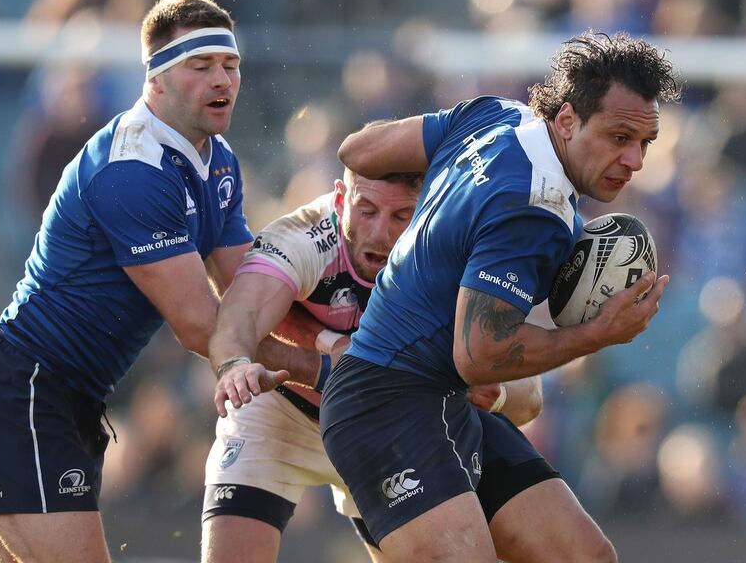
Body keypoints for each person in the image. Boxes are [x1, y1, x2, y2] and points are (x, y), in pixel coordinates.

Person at [0, 0, 319, 563]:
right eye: (199, 66)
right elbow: (202, 326)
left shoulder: (218, 157)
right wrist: (329, 369)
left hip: (70, 397)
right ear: (155, 78)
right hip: (24, 390)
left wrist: (342, 327)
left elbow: (251, 288)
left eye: (229, 65)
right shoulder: (132, 168)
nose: (221, 79)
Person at [323, 30, 678, 562]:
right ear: (565, 120)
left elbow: (359, 149)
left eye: (643, 143)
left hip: (440, 402)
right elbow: (481, 353)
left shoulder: (494, 117)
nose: (635, 160)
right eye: (619, 136)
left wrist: (459, 204)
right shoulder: (536, 208)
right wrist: (597, 334)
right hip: (385, 406)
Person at [201, 167, 545, 563]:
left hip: (381, 427)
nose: (381, 232)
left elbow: (530, 398)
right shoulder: (305, 237)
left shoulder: (455, 254)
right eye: (366, 211)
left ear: (430, 210)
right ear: (340, 199)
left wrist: (496, 393)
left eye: (401, 216)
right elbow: (236, 317)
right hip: (279, 416)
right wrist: (236, 362)